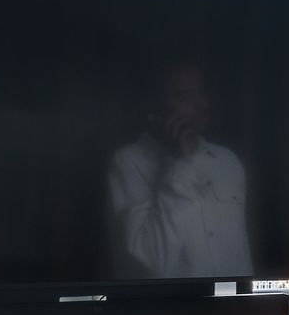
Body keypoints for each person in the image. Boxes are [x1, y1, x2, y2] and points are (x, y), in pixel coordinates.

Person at [105, 60, 252, 278]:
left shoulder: (228, 162)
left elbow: (242, 260)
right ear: (155, 108)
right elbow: (150, 261)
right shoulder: (129, 163)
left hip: (234, 301)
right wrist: (182, 164)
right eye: (185, 97)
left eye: (202, 93)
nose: (203, 105)